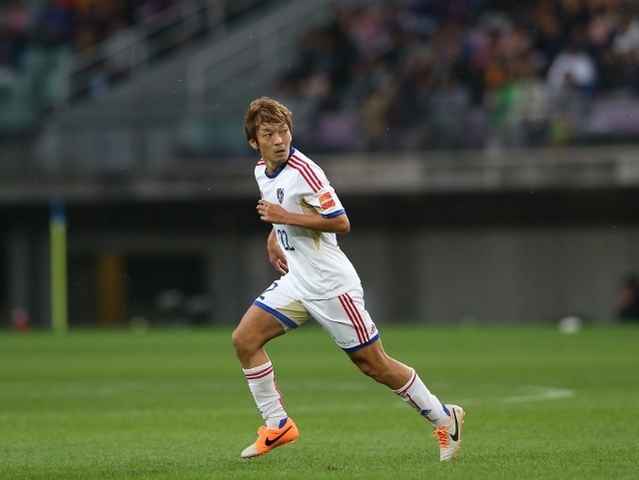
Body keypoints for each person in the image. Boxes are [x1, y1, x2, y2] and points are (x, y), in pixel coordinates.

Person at [231, 97, 464, 461]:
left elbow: (341, 221)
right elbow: (282, 208)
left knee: (374, 365)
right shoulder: (262, 169)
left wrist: (284, 219)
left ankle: (445, 418)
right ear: (253, 141)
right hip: (298, 281)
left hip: (330, 286)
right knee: (245, 340)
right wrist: (274, 236)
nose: (279, 140)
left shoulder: (306, 172)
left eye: (284, 131)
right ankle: (278, 424)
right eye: (269, 134)